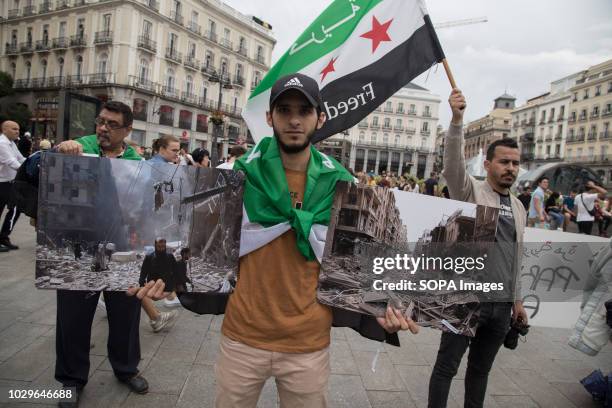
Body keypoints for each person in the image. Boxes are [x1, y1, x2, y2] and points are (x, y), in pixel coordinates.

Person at [130, 73, 419, 408]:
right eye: (284, 110)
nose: (294, 119)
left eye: (304, 111)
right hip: (242, 338)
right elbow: (201, 245)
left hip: (308, 344)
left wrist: (381, 306)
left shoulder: (342, 185)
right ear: (270, 117)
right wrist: (169, 277)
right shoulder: (238, 177)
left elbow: (360, 261)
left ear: (320, 118)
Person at [431, 88, 528, 408]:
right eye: (504, 162)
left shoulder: (518, 207)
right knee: (446, 368)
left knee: (480, 371)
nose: (511, 168)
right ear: (487, 164)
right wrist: (457, 121)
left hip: (500, 307)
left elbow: (517, 255)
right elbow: (452, 166)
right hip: (467, 298)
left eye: (515, 163)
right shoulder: (470, 190)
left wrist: (517, 301)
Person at [54, 101, 148, 406]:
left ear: (127, 130)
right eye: (101, 121)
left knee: (126, 313)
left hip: (122, 248)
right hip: (79, 248)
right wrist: (61, 150)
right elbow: (40, 167)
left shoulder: (135, 161)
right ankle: (71, 379)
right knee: (73, 317)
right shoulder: (81, 148)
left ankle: (126, 368)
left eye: (112, 124)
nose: (103, 128)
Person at [139, 238, 180, 330]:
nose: (161, 249)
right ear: (155, 246)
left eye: (163, 247)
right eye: (159, 247)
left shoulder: (169, 257)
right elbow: (144, 270)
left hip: (165, 283)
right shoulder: (149, 257)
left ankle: (158, 315)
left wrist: (175, 284)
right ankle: (157, 317)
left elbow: (175, 271)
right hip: (153, 282)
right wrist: (142, 280)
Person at [0, 120, 25, 251]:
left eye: (18, 129)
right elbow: (11, 162)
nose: (17, 131)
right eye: (14, 129)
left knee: (16, 208)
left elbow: (20, 159)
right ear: (4, 130)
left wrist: (34, 164)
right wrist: (27, 171)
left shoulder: (11, 143)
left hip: (10, 183)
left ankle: (4, 237)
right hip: (1, 183)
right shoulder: (2, 143)